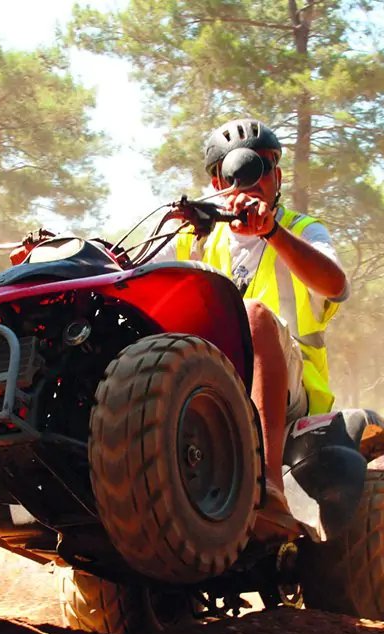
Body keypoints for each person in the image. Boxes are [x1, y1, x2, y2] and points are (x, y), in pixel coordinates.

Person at [150, 118, 350, 536]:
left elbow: (336, 284)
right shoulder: (194, 233)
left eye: (262, 168)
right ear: (216, 180)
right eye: (237, 171)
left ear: (276, 177)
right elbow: (129, 274)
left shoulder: (301, 230)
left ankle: (268, 489)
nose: (250, 181)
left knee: (253, 313)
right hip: (206, 382)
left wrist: (273, 232)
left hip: (295, 392)